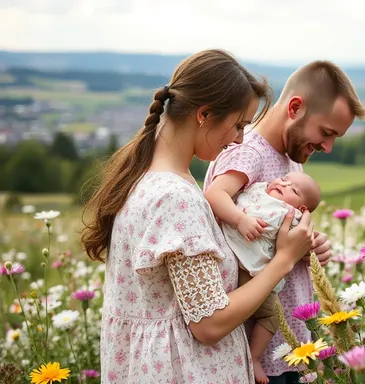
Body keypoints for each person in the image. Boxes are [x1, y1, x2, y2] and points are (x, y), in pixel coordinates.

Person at [81, 49, 314, 383]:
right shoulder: (176, 198)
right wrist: (284, 259)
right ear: (203, 114)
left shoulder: (145, 177)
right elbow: (208, 324)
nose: (239, 138)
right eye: (237, 124)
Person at [204, 60, 365, 383]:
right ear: (295, 108)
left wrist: (309, 247)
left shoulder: (291, 160)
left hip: (293, 347)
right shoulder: (246, 153)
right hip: (262, 358)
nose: (328, 147)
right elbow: (220, 219)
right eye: (326, 132)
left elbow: (280, 235)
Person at [209, 171, 321, 383]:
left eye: (293, 190)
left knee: (272, 316)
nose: (284, 184)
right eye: (284, 180)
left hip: (253, 275)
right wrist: (240, 219)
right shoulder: (256, 189)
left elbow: (303, 241)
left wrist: (313, 241)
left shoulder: (291, 215)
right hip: (225, 259)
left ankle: (255, 357)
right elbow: (220, 197)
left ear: (302, 209)